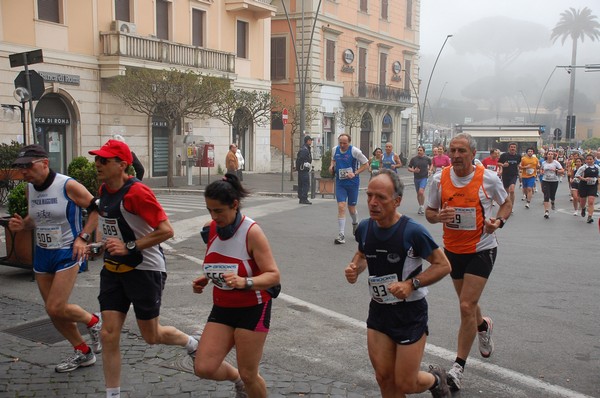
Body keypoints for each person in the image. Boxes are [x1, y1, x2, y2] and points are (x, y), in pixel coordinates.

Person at [88, 139, 198, 398]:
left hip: (145, 270)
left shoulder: (137, 192)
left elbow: (166, 231)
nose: (97, 164)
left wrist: (129, 246)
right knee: (108, 333)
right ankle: (112, 394)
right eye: (97, 159)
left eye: (104, 160)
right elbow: (110, 222)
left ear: (122, 164)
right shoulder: (104, 189)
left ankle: (192, 342)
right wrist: (99, 244)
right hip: (113, 271)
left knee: (151, 335)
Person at [344, 169, 451, 398]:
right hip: (380, 310)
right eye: (370, 195)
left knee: (405, 383)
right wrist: (355, 269)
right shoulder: (364, 227)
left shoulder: (412, 231)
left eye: (381, 197)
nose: (373, 202)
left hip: (409, 314)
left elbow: (443, 265)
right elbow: (362, 254)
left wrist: (411, 284)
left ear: (397, 201)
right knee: (384, 378)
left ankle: (436, 380)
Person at [425, 133, 512, 391]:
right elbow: (429, 213)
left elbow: (506, 203)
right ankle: (483, 326)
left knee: (465, 305)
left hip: (481, 249)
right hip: (453, 250)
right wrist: (439, 216)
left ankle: (457, 368)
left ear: (473, 154)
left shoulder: (488, 178)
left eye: (462, 150)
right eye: (452, 150)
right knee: (468, 304)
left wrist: (497, 222)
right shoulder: (439, 179)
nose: (456, 155)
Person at [8, 144, 103, 373]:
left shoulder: (67, 184)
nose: (24, 172)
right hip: (42, 253)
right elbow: (36, 219)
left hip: (67, 251)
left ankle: (93, 321)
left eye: (28, 166)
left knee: (56, 305)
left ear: (44, 163)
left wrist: (83, 238)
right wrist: (23, 225)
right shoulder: (31, 189)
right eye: (21, 168)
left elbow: (96, 208)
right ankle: (83, 351)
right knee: (53, 310)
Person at [192, 173, 281, 398]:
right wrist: (209, 277)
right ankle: (237, 380)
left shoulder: (252, 232)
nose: (214, 216)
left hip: (252, 308)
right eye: (209, 210)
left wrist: (245, 282)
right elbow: (221, 261)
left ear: (234, 205)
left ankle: (245, 381)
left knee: (250, 374)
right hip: (222, 308)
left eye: (218, 211)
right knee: (204, 367)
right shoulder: (211, 229)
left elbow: (273, 276)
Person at [329, 133, 369, 244]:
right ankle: (341, 234)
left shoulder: (355, 151)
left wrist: (355, 173)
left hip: (352, 183)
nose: (342, 145)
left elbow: (366, 164)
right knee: (341, 206)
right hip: (340, 183)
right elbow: (333, 160)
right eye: (340, 143)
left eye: (344, 143)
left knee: (351, 208)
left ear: (349, 142)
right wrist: (331, 166)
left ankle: (355, 223)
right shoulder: (334, 150)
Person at [575, 154, 600, 224]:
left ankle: (590, 216)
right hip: (583, 185)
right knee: (582, 202)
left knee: (591, 201)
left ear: (593, 160)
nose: (589, 161)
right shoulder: (583, 167)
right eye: (588, 159)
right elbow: (577, 175)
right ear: (585, 160)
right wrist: (584, 179)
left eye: (590, 159)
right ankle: (583, 208)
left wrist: (597, 179)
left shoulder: (597, 167)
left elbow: (599, 175)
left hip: (593, 186)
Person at [407, 146, 432, 215]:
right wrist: (413, 170)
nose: (419, 151)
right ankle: (420, 206)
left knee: (421, 192)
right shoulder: (414, 159)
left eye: (420, 150)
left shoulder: (427, 159)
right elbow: (409, 168)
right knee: (418, 193)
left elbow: (431, 164)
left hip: (424, 177)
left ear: (423, 151)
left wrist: (429, 170)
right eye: (418, 150)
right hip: (416, 178)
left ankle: (422, 206)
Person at [540, 151, 564, 219]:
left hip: (554, 181)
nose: (550, 155)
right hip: (545, 180)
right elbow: (541, 169)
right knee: (546, 195)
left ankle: (552, 201)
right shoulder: (543, 163)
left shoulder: (556, 163)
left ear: (553, 156)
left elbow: (562, 170)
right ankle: (546, 211)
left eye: (551, 154)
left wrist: (556, 170)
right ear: (546, 155)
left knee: (552, 195)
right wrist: (541, 172)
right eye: (549, 154)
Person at [498, 143, 520, 208]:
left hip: (514, 175)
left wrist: (520, 172)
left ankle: (511, 206)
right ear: (509, 148)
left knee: (512, 190)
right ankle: (506, 204)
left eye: (514, 147)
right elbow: (498, 163)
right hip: (505, 175)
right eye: (511, 147)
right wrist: (503, 165)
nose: (512, 148)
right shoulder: (504, 155)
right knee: (506, 192)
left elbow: (519, 164)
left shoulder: (518, 156)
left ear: (516, 149)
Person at [295, 135, 313, 204]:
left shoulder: (305, 148)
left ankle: (301, 198)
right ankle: (304, 198)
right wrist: (304, 164)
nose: (311, 141)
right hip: (303, 169)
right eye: (310, 140)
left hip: (302, 169)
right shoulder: (305, 149)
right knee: (305, 184)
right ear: (307, 141)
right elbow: (301, 159)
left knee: (301, 184)